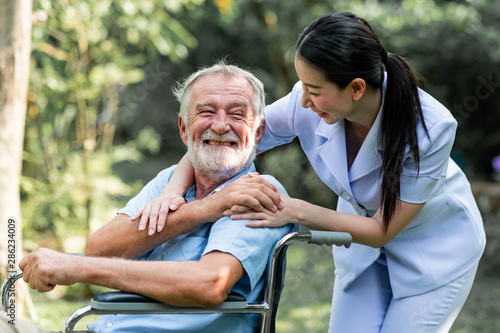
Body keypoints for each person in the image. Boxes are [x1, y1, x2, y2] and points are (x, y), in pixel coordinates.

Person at [135, 12, 486, 333]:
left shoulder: (430, 128)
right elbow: (221, 140)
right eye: (302, 86)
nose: (303, 100)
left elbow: (382, 230)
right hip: (359, 246)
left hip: (433, 248)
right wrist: (173, 192)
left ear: (356, 89)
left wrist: (292, 210)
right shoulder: (304, 102)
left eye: (314, 91)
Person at [2, 62, 294, 333]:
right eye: (206, 112)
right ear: (183, 128)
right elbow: (100, 248)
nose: (220, 125)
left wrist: (75, 267)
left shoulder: (258, 192)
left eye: (237, 114)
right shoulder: (170, 181)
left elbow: (210, 284)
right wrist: (205, 209)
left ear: (258, 133)